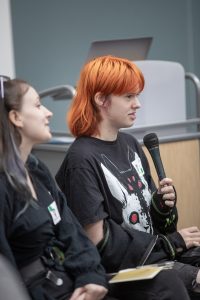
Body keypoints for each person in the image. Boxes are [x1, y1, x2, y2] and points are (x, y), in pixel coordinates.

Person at [55, 55, 200, 299]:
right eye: (128, 96)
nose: (138, 104)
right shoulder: (81, 160)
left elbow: (150, 225)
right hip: (124, 271)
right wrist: (171, 243)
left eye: (137, 96)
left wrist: (161, 208)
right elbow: (97, 243)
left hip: (153, 255)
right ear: (101, 99)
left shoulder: (130, 143)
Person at [0, 76, 109, 300]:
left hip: (69, 284)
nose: (48, 113)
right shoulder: (3, 187)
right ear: (15, 117)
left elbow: (71, 230)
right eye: (38, 105)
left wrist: (90, 276)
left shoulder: (36, 169)